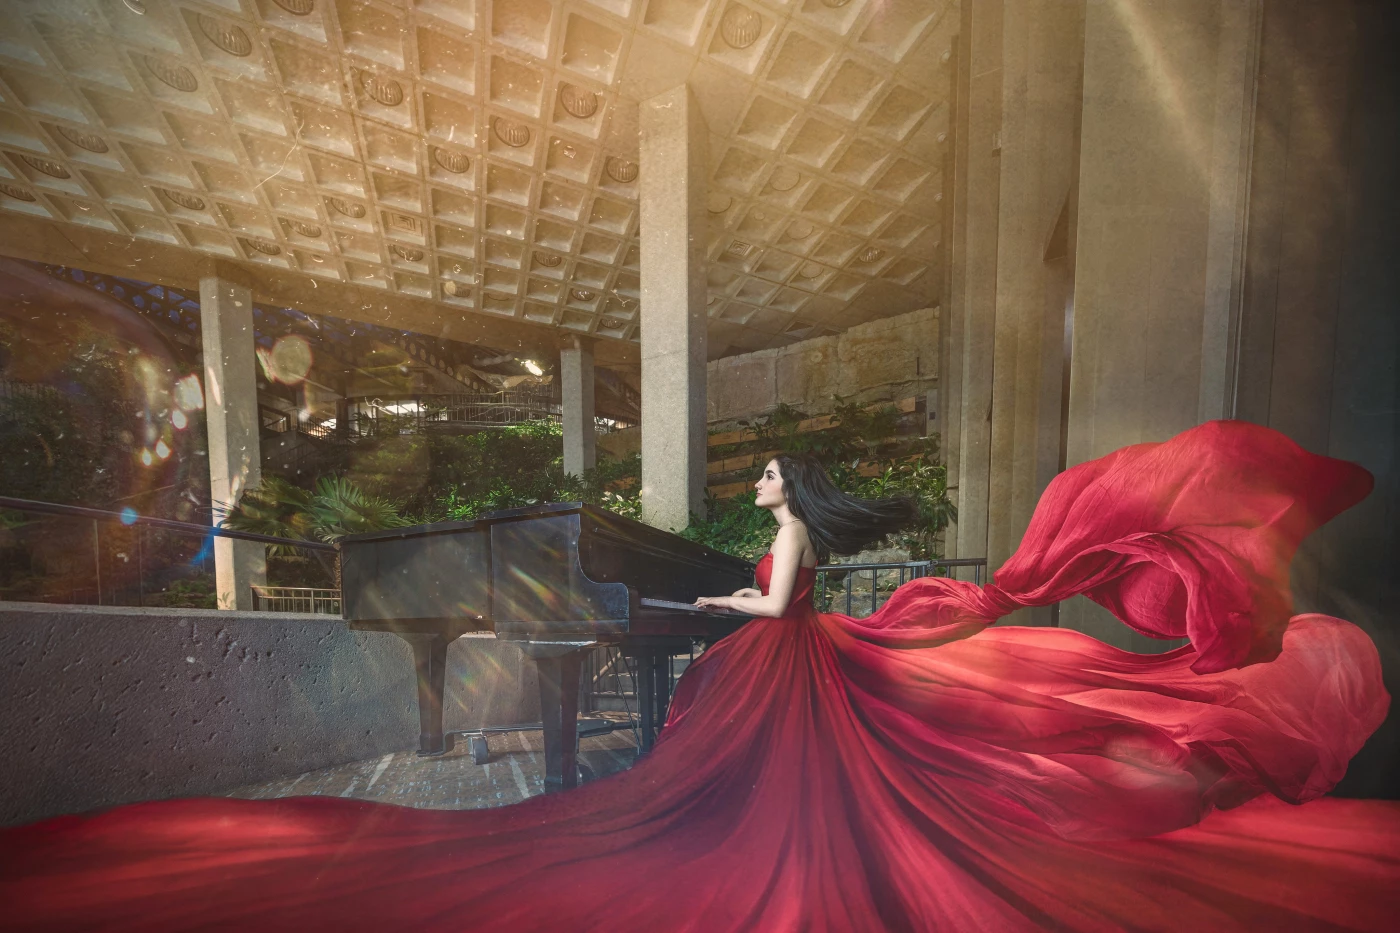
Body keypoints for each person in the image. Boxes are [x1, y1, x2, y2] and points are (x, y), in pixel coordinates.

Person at [2, 420, 1398, 932]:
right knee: (785, 783)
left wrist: (713, 593)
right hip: (786, 647)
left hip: (789, 656)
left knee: (781, 803)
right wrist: (707, 594)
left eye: (777, 472)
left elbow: (776, 602)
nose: (771, 481)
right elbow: (769, 592)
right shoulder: (792, 527)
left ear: (797, 489)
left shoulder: (789, 538)